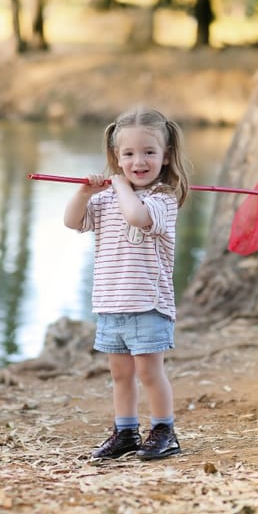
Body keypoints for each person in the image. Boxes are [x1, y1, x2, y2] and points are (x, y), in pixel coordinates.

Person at [63, 106, 190, 460]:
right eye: (129, 154)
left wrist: (118, 184)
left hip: (148, 303)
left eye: (149, 152)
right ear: (117, 157)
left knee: (150, 372)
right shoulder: (104, 199)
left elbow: (136, 215)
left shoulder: (163, 200)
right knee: (120, 373)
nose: (139, 161)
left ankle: (164, 431)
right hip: (111, 302)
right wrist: (84, 193)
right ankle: (126, 432)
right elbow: (72, 222)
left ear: (165, 157)